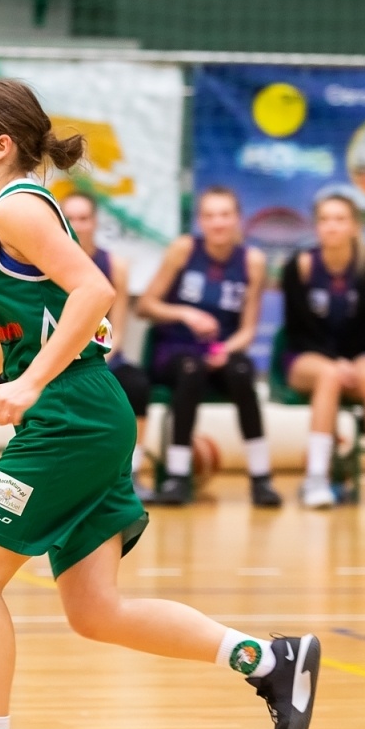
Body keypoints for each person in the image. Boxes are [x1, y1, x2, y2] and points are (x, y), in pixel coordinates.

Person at [0, 78, 320, 729]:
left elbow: (93, 292)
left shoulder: (19, 207)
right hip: (86, 409)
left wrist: (31, 387)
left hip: (70, 416)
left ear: (1, 144)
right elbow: (12, 338)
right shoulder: (4, 216)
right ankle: (269, 660)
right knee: (94, 610)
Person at [136, 187, 281, 507]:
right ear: (200, 221)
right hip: (176, 349)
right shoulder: (184, 250)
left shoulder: (252, 261)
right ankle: (176, 475)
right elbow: (145, 305)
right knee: (191, 369)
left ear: (237, 219)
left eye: (225, 215)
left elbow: (248, 330)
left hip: (222, 350)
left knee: (243, 372)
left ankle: (261, 477)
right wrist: (186, 313)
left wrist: (226, 349)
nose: (218, 223)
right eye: (210, 215)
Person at [279, 193, 365, 510]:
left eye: (340, 219)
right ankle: (316, 479)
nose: (331, 227)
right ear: (316, 226)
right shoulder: (300, 266)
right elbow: (298, 331)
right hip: (307, 355)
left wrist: (358, 360)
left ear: (354, 226)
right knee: (329, 375)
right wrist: (336, 361)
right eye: (324, 220)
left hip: (356, 355)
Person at [62, 189, 154, 500]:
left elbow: (117, 330)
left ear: (95, 223)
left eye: (84, 218)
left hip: (102, 354)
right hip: (60, 355)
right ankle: (73, 475)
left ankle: (135, 472)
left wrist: (97, 357)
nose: (77, 224)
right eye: (70, 218)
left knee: (137, 384)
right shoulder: (48, 263)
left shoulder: (116, 265)